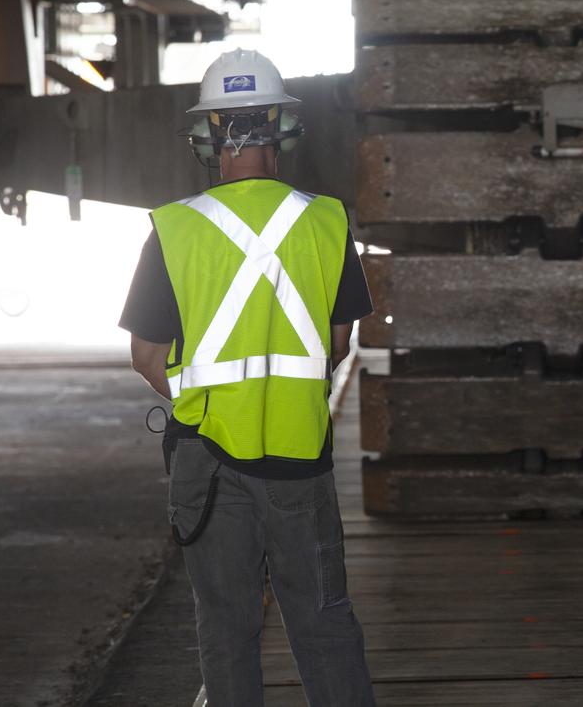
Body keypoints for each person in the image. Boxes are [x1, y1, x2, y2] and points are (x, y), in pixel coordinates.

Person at [119, 49, 377, 706]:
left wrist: (209, 402)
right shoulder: (327, 220)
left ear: (209, 137)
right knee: (321, 618)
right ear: (282, 130)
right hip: (299, 457)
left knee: (227, 627)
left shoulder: (173, 229)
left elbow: (148, 356)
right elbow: (340, 340)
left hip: (206, 464)